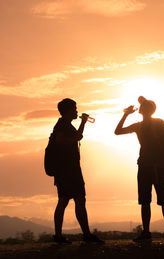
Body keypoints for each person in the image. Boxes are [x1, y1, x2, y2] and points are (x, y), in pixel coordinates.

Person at [114, 96, 164, 242]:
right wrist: (125, 114)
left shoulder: (153, 124)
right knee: (149, 200)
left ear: (145, 110)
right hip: (147, 165)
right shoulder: (145, 125)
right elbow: (117, 132)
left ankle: (163, 231)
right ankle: (155, 232)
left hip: (155, 166)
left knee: (157, 200)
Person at [51, 98, 103, 244]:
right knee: (76, 200)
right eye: (74, 108)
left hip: (66, 170)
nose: (76, 111)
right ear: (68, 111)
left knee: (66, 200)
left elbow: (76, 137)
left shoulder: (65, 124)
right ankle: (84, 235)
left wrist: (83, 123)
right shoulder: (62, 125)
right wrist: (76, 135)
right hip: (68, 170)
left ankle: (60, 236)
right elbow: (62, 141)